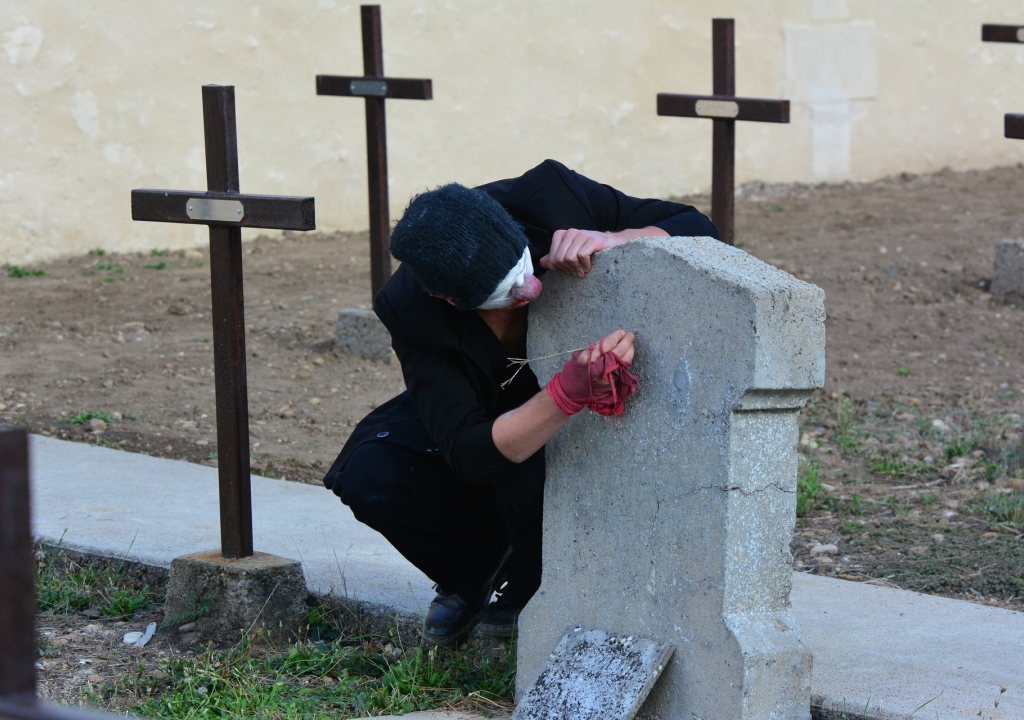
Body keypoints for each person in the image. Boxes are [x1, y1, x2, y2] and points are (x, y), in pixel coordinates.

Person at [323, 159, 717, 645]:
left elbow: (697, 226)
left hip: (594, 399)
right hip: (507, 405)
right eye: (508, 292)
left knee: (535, 477)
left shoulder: (550, 196)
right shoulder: (410, 307)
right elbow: (469, 450)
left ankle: (532, 578)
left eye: (523, 266)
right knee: (370, 472)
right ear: (447, 299)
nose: (530, 287)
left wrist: (620, 239)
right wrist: (564, 394)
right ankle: (475, 568)